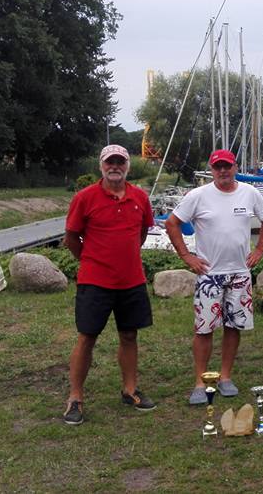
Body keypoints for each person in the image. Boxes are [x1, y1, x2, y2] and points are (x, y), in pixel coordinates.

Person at [165, 149, 263, 405]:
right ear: (212, 170)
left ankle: (225, 377)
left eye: (227, 166)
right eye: (217, 167)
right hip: (209, 275)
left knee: (233, 326)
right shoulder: (198, 195)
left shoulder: (250, 193)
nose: (223, 171)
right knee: (204, 329)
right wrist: (186, 256)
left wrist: (259, 249)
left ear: (235, 167)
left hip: (239, 274)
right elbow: (171, 223)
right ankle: (200, 381)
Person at [62, 144, 156, 425]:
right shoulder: (84, 198)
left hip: (131, 280)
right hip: (95, 282)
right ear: (101, 166)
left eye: (120, 162)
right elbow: (71, 237)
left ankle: (130, 390)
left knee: (129, 335)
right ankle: (75, 398)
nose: (115, 166)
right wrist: (91, 260)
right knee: (87, 337)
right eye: (109, 162)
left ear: (127, 166)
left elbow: (142, 232)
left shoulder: (140, 197)